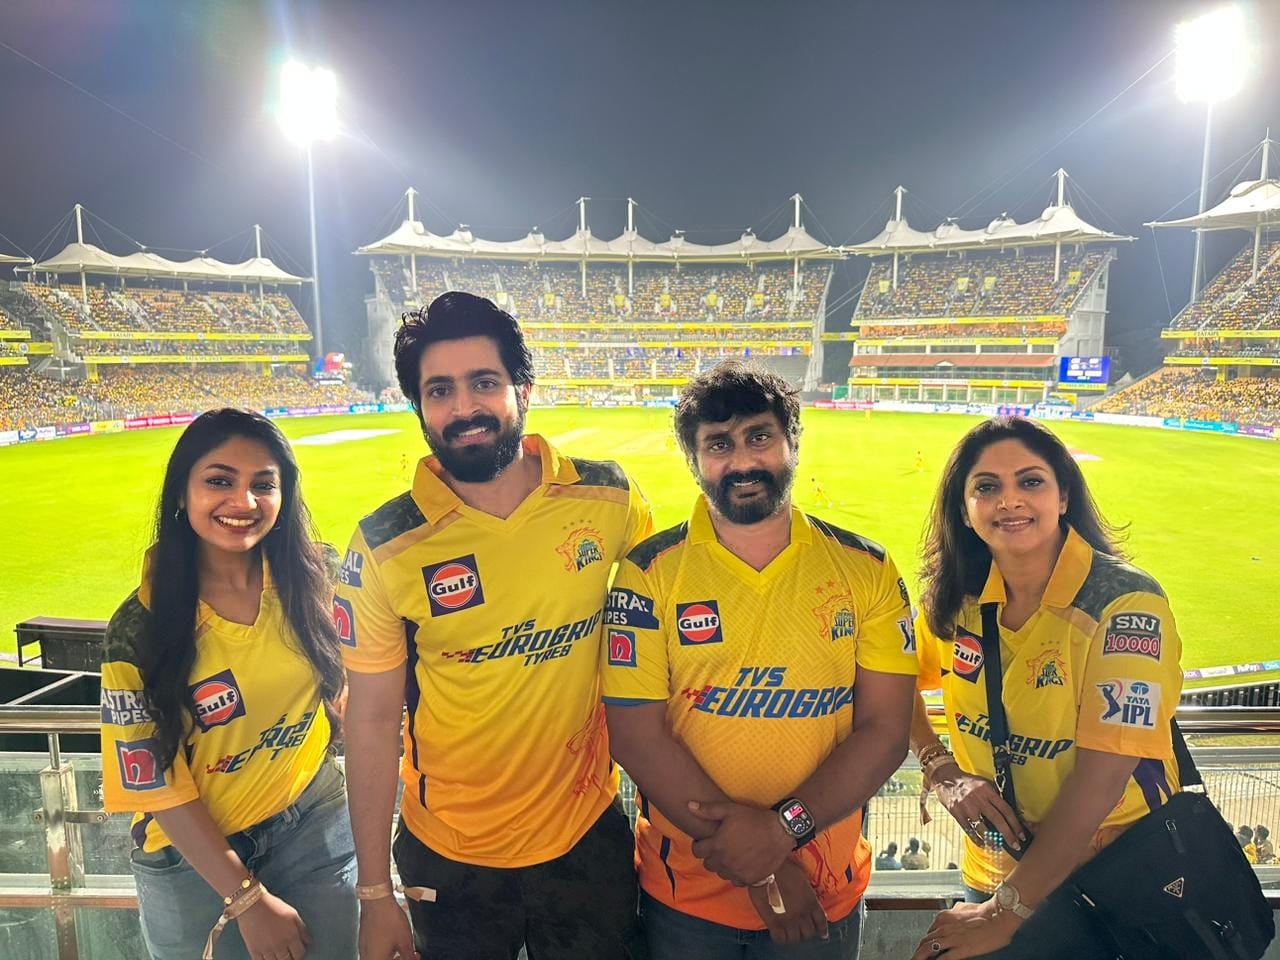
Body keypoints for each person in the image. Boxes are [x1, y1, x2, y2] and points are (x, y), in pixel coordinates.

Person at [338, 292, 653, 960]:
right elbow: (370, 721)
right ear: (419, 407)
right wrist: (373, 893)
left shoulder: (610, 499)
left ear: (523, 391)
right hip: (449, 859)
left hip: (586, 837)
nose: (464, 409)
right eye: (440, 391)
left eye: (484, 382)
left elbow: (663, 644)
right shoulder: (383, 545)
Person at [603, 361, 919, 957]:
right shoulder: (648, 573)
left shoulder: (867, 569)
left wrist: (782, 831)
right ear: (694, 460)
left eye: (759, 437)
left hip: (823, 893)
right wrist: (768, 868)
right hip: (686, 896)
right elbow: (637, 738)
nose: (743, 461)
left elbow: (885, 731)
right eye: (719, 445)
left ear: (792, 441)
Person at [906, 416, 1183, 960]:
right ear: (963, 510)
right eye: (987, 486)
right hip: (993, 871)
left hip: (1112, 878)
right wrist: (940, 768)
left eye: (1030, 481)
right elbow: (893, 685)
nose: (1009, 500)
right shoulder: (957, 600)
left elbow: (1103, 777)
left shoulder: (1126, 604)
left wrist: (1006, 911)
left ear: (1063, 497)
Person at [100, 408, 355, 960]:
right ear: (181, 492)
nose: (244, 502)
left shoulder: (318, 578)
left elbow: (353, 680)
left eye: (264, 484)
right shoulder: (138, 629)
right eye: (220, 481)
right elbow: (155, 785)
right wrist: (245, 898)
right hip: (190, 857)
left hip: (313, 817)